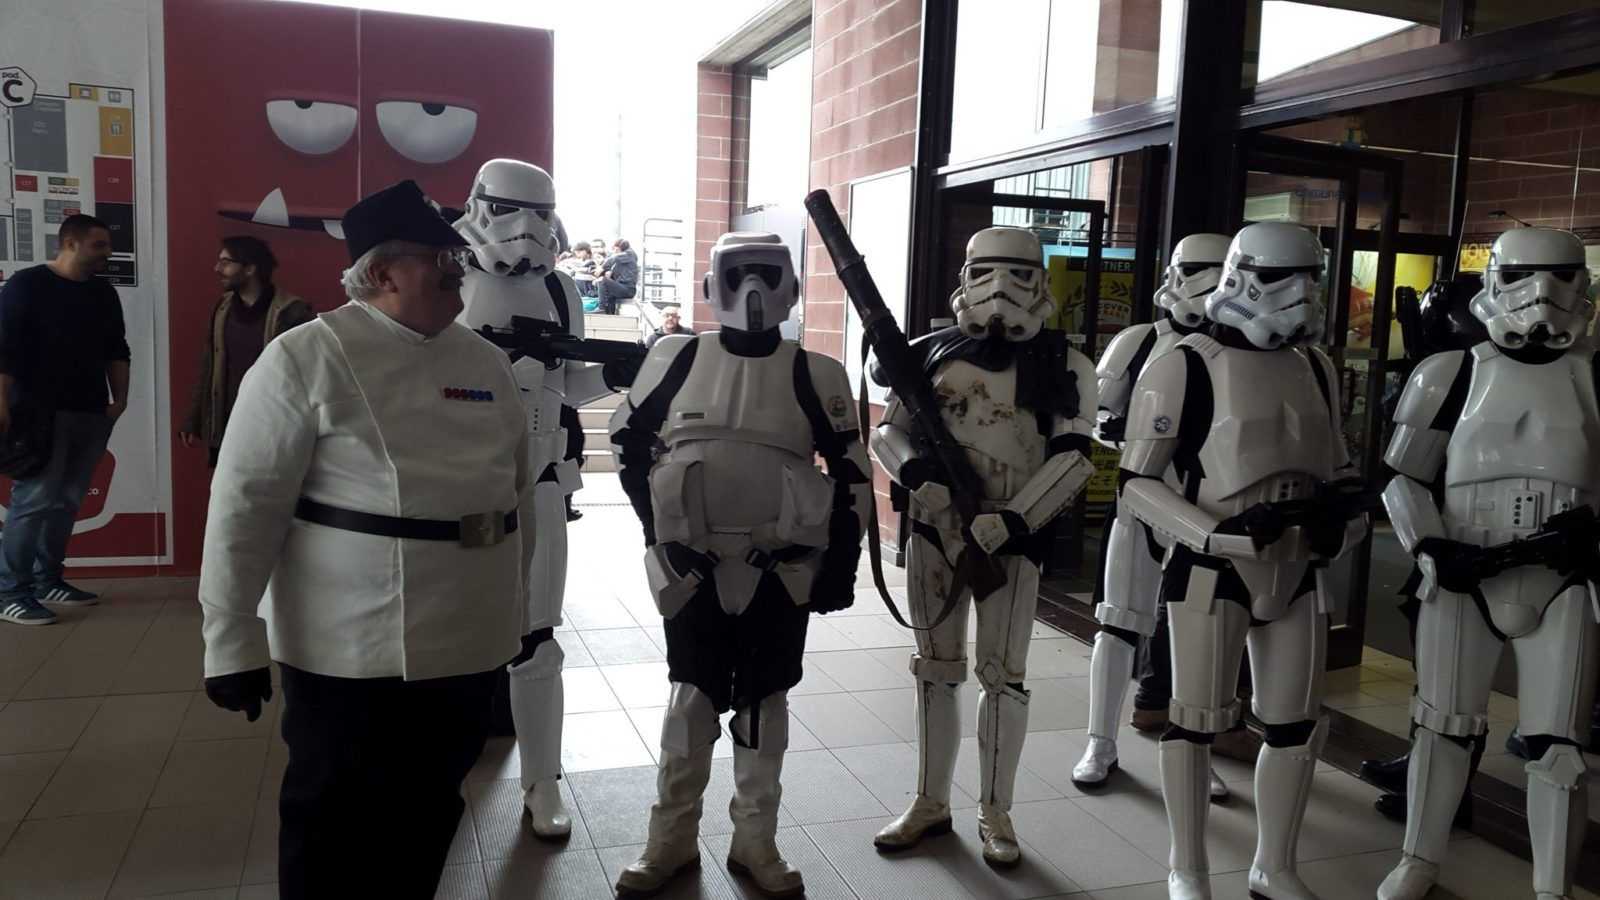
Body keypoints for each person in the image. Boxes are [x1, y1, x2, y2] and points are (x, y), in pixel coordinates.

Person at [197, 180, 530, 899]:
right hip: (350, 651)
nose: (459, 268)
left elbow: (517, 498)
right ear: (381, 272)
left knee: (430, 809)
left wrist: (521, 616)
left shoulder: (484, 361)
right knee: (332, 820)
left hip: (468, 641)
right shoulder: (305, 357)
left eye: (457, 256)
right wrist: (229, 640)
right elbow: (244, 508)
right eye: (440, 258)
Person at [609, 232, 870, 897]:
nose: (753, 288)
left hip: (780, 564)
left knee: (765, 700)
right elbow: (627, 440)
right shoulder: (676, 356)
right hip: (689, 561)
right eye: (738, 272)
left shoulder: (816, 373)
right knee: (691, 697)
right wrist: (660, 529)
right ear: (711, 284)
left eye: (767, 273)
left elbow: (851, 473)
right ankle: (670, 839)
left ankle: (756, 840)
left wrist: (842, 563)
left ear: (791, 286)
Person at [1119, 222, 1368, 900]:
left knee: (1295, 727)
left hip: (1298, 566)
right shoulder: (1183, 364)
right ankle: (1187, 867)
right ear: (1242, 276)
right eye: (1284, 278)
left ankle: (1274, 865)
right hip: (1213, 568)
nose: (1301, 294)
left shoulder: (1316, 367)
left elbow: (1339, 467)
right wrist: (1218, 536)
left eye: (1312, 279)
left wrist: (1344, 520)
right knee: (1194, 721)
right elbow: (1137, 483)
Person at [1376, 227, 1598, 900]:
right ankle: (1420, 859)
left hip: (1561, 581)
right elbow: (1402, 477)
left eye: (1560, 276)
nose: (1542, 294)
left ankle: (1553, 887)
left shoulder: (1595, 376)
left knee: (1558, 748)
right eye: (1523, 276)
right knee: (1442, 726)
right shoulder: (1449, 373)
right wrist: (1429, 546)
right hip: (1461, 575)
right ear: (1494, 281)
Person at [870, 227, 1097, 868]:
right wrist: (918, 475)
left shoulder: (1065, 363)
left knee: (1003, 678)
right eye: (985, 271)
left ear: (1040, 281)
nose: (1000, 288)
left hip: (1010, 542)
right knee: (935, 669)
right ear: (964, 277)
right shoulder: (930, 352)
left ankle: (996, 811)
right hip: (933, 530)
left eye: (1017, 273)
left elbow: (1074, 457)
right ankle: (929, 801)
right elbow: (888, 432)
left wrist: (1017, 521)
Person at [454, 159, 635, 839]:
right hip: (457, 481)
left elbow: (565, 387)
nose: (526, 229)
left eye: (539, 214)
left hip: (542, 480)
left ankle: (541, 783)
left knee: (539, 639)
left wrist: (613, 374)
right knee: (452, 637)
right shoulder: (448, 276)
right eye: (509, 211)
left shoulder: (559, 289)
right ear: (480, 206)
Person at [1072, 233, 1233, 802]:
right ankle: (1100, 742)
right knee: (1119, 623)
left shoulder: (1239, 356)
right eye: (1197, 270)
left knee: (1199, 636)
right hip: (1141, 502)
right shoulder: (1140, 342)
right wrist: (1121, 434)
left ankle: (1193, 750)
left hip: (1210, 511)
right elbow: (1093, 415)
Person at [0, 214, 130, 625]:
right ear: (70, 243)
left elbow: (117, 349)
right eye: (99, 245)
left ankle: (47, 580)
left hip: (90, 411)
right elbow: (4, 349)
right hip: (38, 412)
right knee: (34, 500)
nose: (108, 253)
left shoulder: (103, 293)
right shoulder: (27, 285)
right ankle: (9, 592)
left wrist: (120, 401)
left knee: (67, 500)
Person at [181, 236, 314, 467]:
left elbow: (308, 377)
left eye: (226, 263)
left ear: (250, 269)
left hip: (270, 428)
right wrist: (194, 419)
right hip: (226, 424)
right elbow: (209, 366)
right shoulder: (223, 308)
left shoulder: (291, 312)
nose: (217, 268)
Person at [596, 237, 638, 314]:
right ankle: (609, 314)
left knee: (603, 280)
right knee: (608, 293)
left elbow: (614, 258)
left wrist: (602, 267)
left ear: (619, 248)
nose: (615, 252)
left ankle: (601, 308)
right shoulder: (624, 260)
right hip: (622, 287)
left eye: (616, 249)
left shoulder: (630, 254)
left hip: (627, 289)